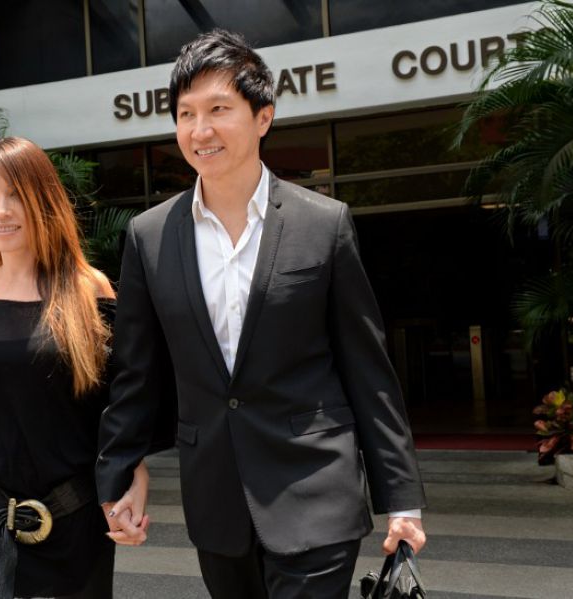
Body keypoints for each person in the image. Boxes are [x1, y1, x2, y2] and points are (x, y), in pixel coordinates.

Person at [96, 30, 427, 598]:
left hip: (316, 487)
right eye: (186, 114)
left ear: (263, 117)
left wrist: (401, 497)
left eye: (219, 109)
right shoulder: (149, 238)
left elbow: (368, 371)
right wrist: (120, 473)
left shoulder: (322, 224)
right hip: (217, 501)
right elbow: (137, 373)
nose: (200, 130)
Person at [0, 136, 146, 598]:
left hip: (73, 524)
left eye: (16, 194)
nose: (1, 211)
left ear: (44, 200)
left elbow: (122, 401)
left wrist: (135, 478)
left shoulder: (88, 290)